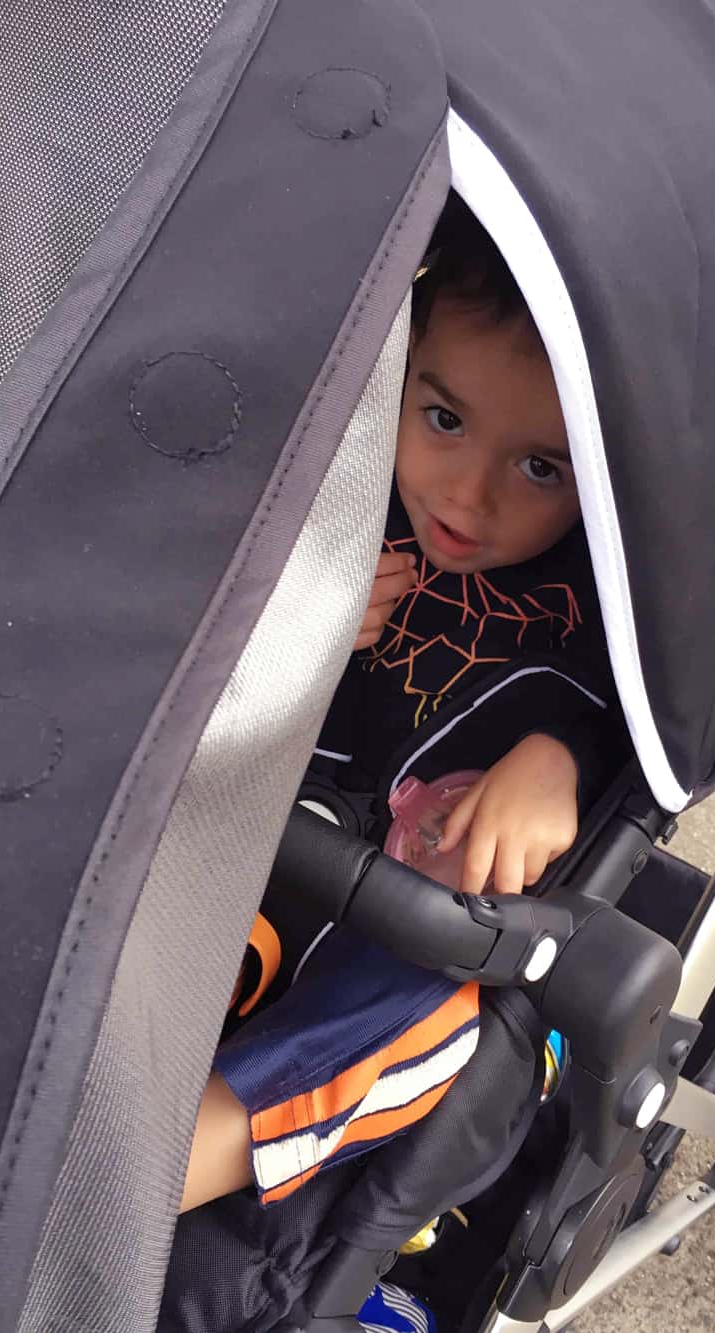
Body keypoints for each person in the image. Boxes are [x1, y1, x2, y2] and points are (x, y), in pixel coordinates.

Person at [178, 195, 610, 1217]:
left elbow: (627, 721)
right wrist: (286, 611)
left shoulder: (603, 608)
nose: (466, 496)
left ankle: (159, 1176)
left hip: (403, 919)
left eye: (539, 467)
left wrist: (558, 757)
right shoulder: (339, 487)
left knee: (440, 1011)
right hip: (238, 835)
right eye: (444, 419)